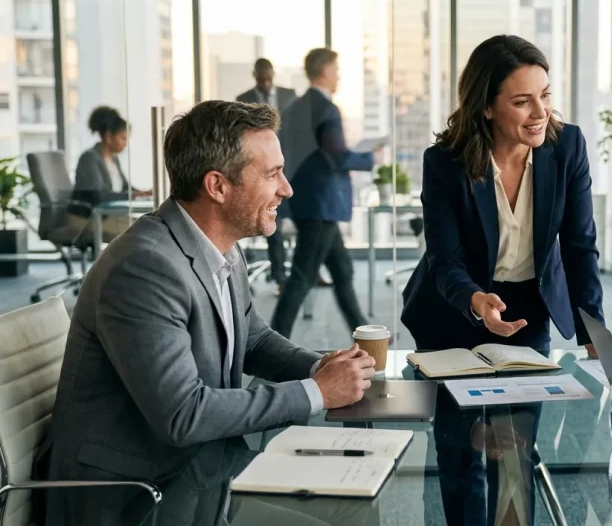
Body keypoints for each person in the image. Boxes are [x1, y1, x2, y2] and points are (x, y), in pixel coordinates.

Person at [44, 100, 377, 525]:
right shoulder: (144, 267)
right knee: (346, 513)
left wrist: (319, 367)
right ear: (217, 186)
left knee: (353, 497)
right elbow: (183, 414)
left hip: (201, 468)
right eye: (272, 174)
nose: (287, 189)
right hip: (138, 496)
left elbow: (253, 339)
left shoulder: (220, 246)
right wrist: (317, 393)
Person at [401, 34, 605, 356]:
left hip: (528, 310)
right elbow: (445, 259)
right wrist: (476, 300)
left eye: (545, 95)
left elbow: (579, 247)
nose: (541, 112)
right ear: (486, 107)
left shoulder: (568, 147)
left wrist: (596, 339)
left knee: (529, 388)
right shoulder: (445, 163)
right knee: (452, 390)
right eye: (522, 102)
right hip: (456, 306)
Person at [271, 48, 381, 338]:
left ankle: (364, 332)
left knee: (342, 271)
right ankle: (274, 340)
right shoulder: (327, 109)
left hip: (305, 200)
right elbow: (337, 156)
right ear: (323, 72)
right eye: (336, 70)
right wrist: (370, 158)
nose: (339, 76)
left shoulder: (294, 107)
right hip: (322, 205)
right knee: (301, 278)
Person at [237, 58, 298, 291]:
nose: (265, 83)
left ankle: (298, 274)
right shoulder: (243, 99)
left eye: (269, 78)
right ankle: (279, 277)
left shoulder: (289, 95)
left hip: (290, 169)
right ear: (254, 76)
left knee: (299, 224)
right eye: (261, 79)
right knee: (273, 223)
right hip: (260, 171)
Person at [67, 106, 148, 242]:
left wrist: (142, 193)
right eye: (123, 138)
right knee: (141, 234)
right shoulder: (90, 158)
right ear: (108, 136)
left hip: (106, 217)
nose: (126, 144)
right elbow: (100, 195)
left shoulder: (113, 159)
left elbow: (125, 187)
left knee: (149, 228)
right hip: (85, 219)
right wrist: (134, 195)